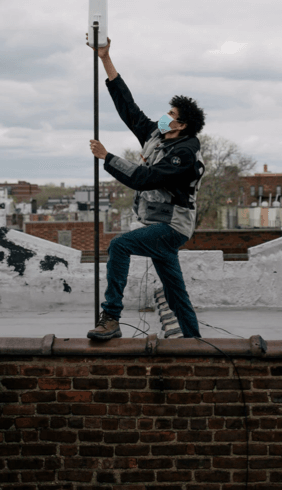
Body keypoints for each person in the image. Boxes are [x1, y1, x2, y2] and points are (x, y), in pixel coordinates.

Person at [85, 36, 206, 340]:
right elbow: (128, 108)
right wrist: (105, 58)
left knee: (119, 245)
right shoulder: (158, 136)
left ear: (181, 125)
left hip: (172, 227)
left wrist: (107, 157)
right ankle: (195, 344)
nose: (165, 118)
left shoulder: (185, 153)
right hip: (158, 224)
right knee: (176, 293)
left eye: (171, 116)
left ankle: (111, 318)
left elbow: (144, 179)